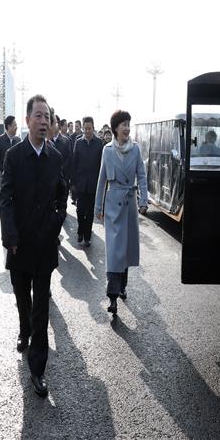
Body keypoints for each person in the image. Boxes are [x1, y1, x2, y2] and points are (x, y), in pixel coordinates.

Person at [0, 94, 67, 397]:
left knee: (41, 307)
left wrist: (56, 221)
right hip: (19, 244)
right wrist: (10, 237)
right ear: (27, 120)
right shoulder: (14, 156)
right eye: (38, 115)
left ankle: (38, 368)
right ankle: (23, 329)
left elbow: (62, 195)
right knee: (22, 297)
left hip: (45, 244)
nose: (43, 121)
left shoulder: (56, 157)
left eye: (47, 116)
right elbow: (5, 199)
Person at [94, 110, 147, 315]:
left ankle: (122, 285)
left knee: (125, 249)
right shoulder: (107, 150)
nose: (127, 128)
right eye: (123, 124)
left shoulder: (136, 149)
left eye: (128, 124)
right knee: (114, 250)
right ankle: (112, 296)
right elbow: (101, 180)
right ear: (115, 128)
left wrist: (143, 201)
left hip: (129, 204)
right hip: (113, 205)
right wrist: (98, 207)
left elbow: (142, 176)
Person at [71, 116, 103, 247]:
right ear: (83, 129)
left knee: (90, 213)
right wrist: (73, 183)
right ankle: (80, 231)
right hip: (80, 184)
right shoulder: (78, 142)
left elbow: (101, 165)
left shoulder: (99, 143)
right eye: (85, 129)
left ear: (93, 128)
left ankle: (87, 236)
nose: (87, 131)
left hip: (94, 184)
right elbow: (74, 163)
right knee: (80, 210)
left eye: (89, 128)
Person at [50, 114, 73, 188]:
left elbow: (69, 158)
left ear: (59, 124)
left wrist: (61, 168)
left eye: (55, 123)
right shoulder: (47, 141)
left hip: (63, 177)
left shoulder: (66, 141)